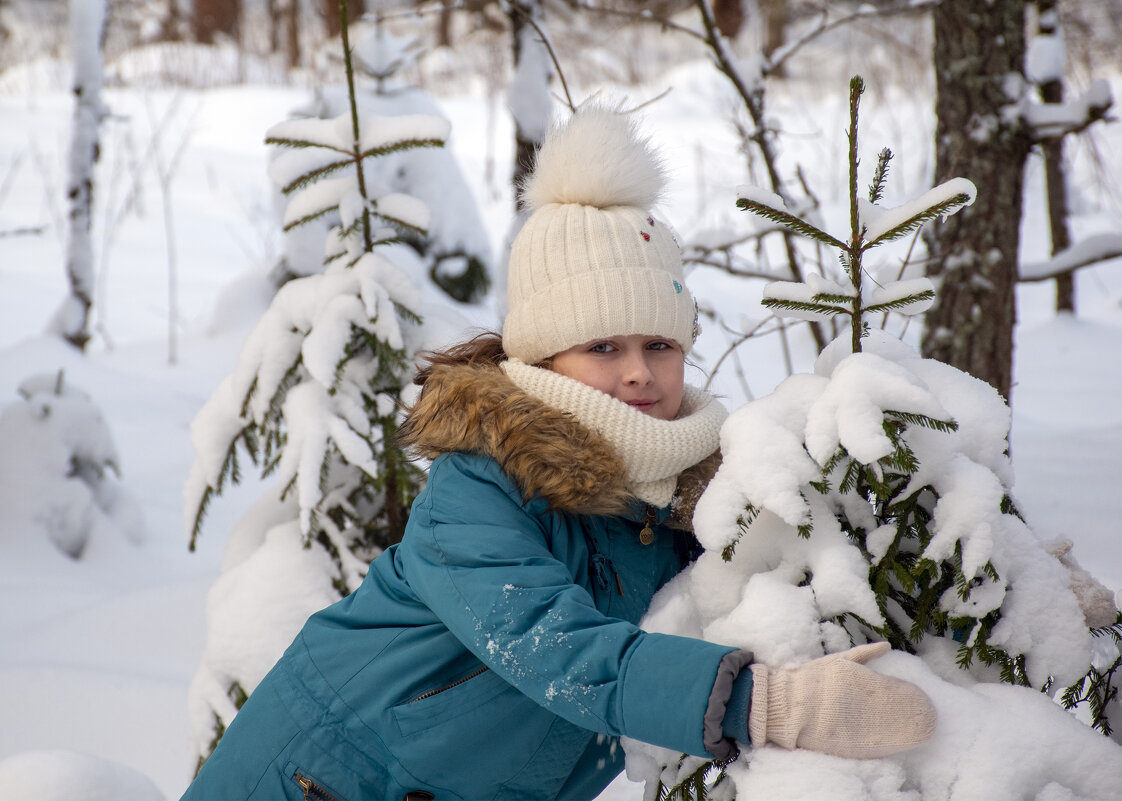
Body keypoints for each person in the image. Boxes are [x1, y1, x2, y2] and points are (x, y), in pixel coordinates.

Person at [181, 106, 935, 801]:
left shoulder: (680, 502)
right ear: (542, 357)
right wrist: (767, 703)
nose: (639, 371)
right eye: (603, 345)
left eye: (660, 344)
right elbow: (553, 645)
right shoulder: (477, 486)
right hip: (314, 778)